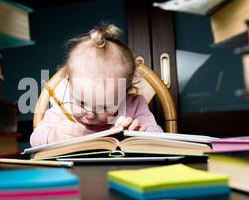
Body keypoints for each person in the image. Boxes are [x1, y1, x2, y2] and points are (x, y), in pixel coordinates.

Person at [30, 23, 162, 147]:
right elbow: (35, 140)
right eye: (81, 103)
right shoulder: (62, 111)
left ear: (125, 92)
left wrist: (140, 134)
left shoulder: (134, 106)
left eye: (104, 107)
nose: (90, 115)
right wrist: (53, 136)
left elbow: (159, 136)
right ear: (69, 83)